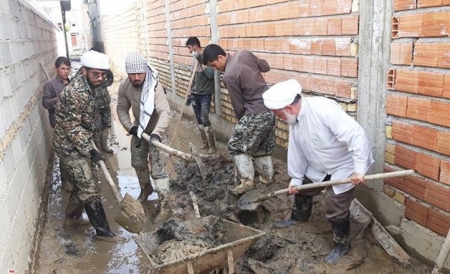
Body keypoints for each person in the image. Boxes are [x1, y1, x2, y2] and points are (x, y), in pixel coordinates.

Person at [262, 79, 374, 263]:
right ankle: (299, 216)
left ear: (289, 108)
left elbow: (357, 135)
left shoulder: (323, 110)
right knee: (302, 187)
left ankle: (341, 245)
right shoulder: (294, 120)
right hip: (319, 163)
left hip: (344, 164)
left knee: (334, 205)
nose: (279, 119)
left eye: (278, 115)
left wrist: (359, 170)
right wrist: (296, 177)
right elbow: (296, 149)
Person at [53, 50, 125, 242]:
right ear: (84, 71)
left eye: (102, 74)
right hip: (69, 146)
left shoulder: (91, 85)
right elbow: (72, 128)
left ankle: (72, 218)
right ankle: (103, 232)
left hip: (81, 140)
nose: (100, 78)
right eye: (96, 74)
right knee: (90, 187)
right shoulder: (76, 93)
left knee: (84, 183)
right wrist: (91, 151)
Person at [202, 44, 275, 195]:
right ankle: (267, 179)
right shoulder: (244, 53)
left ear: (221, 57)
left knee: (236, 145)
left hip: (255, 113)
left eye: (214, 65)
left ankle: (247, 182)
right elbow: (265, 67)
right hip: (271, 109)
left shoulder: (229, 76)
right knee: (262, 147)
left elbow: (238, 106)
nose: (215, 69)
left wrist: (241, 122)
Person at [116, 51, 172, 221]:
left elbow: (165, 112)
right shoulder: (125, 86)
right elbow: (121, 108)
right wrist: (130, 127)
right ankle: (145, 189)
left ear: (145, 71)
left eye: (139, 73)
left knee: (159, 171)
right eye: (132, 74)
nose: (136, 77)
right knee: (138, 163)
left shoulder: (154, 87)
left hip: (157, 133)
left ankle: (166, 206)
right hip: (139, 131)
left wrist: (156, 134)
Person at [42, 56, 73, 192]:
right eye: (62, 69)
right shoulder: (51, 85)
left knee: (75, 151)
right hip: (60, 124)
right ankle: (65, 181)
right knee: (64, 153)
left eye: (67, 69)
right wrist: (58, 99)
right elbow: (45, 103)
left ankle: (74, 177)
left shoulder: (71, 83)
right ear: (56, 69)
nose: (65, 72)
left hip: (73, 123)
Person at [185, 37, 216, 154]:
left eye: (189, 48)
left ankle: (212, 146)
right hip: (195, 94)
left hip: (205, 94)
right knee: (198, 119)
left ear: (195, 46)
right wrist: (189, 94)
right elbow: (192, 78)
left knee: (204, 118)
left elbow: (210, 74)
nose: (189, 50)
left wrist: (201, 61)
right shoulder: (194, 59)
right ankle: (205, 143)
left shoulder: (206, 58)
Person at [90, 47, 114, 154]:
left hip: (105, 103)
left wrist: (104, 83)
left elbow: (110, 79)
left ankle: (104, 146)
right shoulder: (89, 70)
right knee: (97, 128)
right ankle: (98, 150)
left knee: (106, 125)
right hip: (95, 105)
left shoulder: (104, 70)